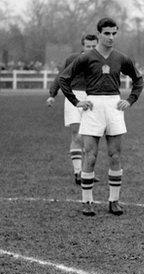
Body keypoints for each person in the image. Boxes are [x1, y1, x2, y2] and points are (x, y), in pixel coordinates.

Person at [59, 17, 143, 216]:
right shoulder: (87, 57)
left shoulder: (121, 58)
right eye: (107, 33)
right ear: (99, 34)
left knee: (115, 155)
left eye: (114, 33)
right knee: (91, 155)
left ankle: (114, 201)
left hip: (114, 106)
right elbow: (64, 78)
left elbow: (138, 79)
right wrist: (76, 101)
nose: (111, 37)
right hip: (94, 106)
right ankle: (87, 202)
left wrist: (130, 100)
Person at [46, 34, 98, 185]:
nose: (91, 49)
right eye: (88, 46)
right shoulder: (73, 59)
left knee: (90, 137)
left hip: (93, 98)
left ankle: (87, 172)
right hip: (73, 97)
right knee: (77, 135)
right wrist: (52, 95)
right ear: (83, 46)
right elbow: (60, 76)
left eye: (94, 46)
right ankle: (78, 172)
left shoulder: (100, 61)